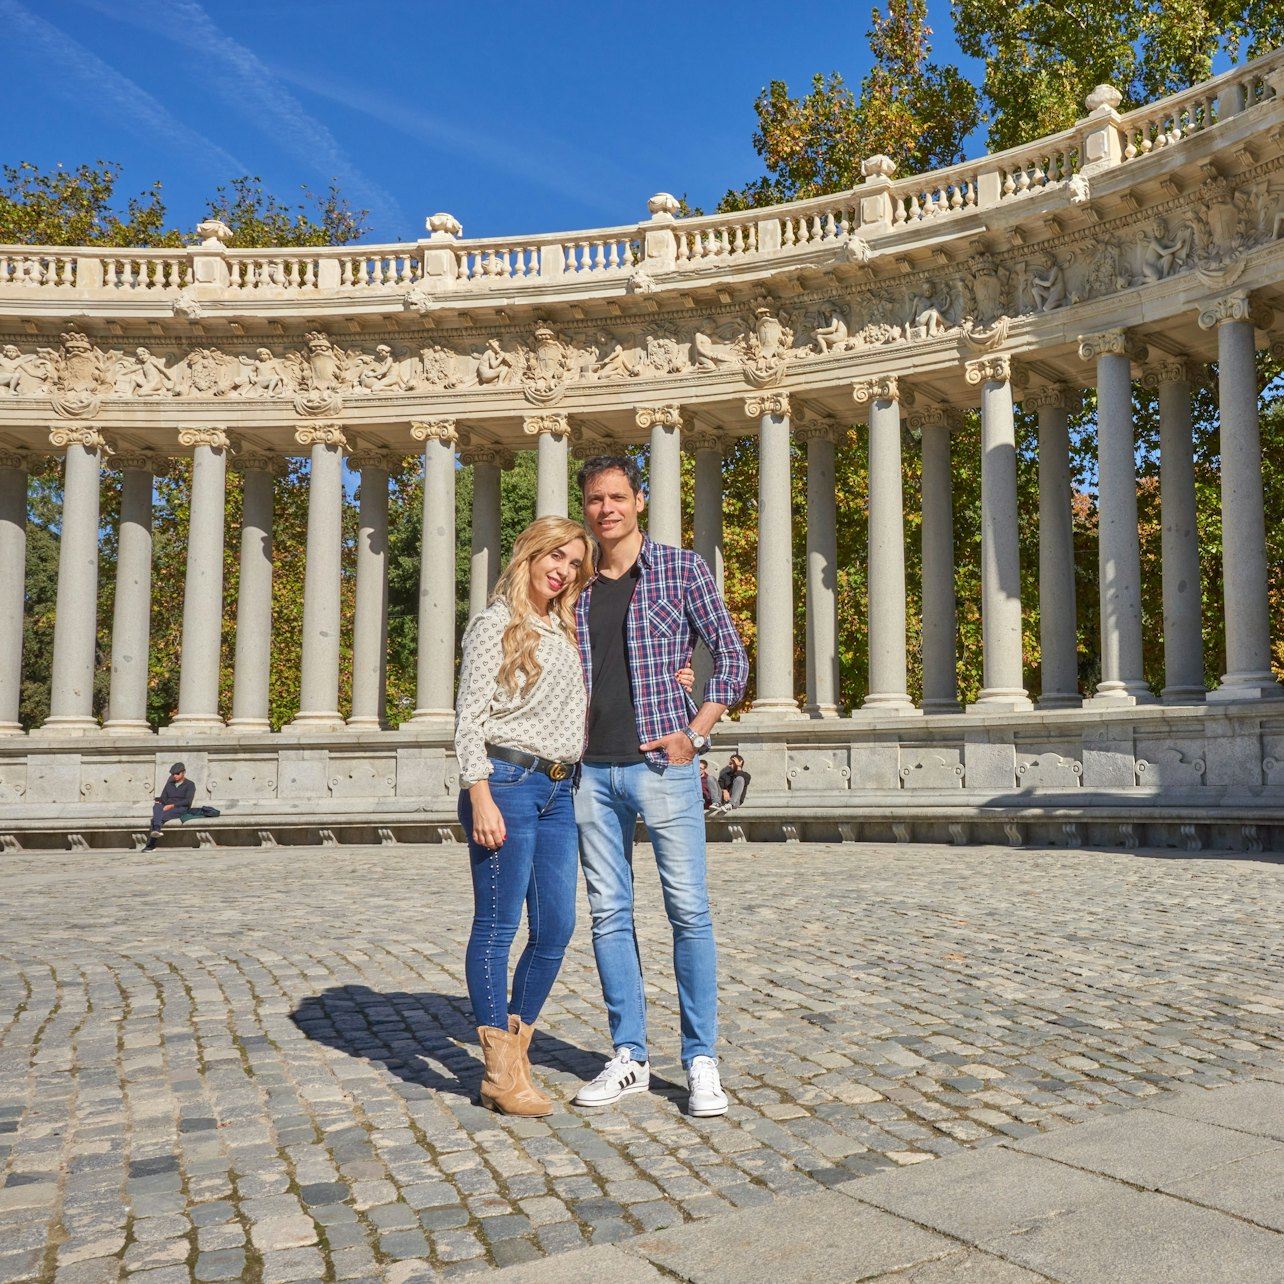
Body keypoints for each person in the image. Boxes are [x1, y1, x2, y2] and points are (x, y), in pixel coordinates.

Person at [455, 515, 697, 1117]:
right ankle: (500, 1070)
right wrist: (478, 792)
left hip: (561, 788)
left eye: (573, 564)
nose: (562, 571)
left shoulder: (565, 627)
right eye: (554, 558)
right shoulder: (495, 624)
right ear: (529, 557)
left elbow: (624, 664)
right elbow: (468, 719)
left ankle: (517, 1045)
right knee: (497, 924)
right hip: (506, 782)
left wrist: (681, 677)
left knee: (557, 927)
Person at [571, 454, 748, 1118]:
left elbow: (731, 654)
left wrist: (695, 733)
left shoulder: (680, 569)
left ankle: (701, 1058)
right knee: (610, 915)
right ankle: (630, 1056)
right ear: (585, 506)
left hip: (662, 766)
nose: (607, 509)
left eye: (617, 496)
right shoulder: (575, 582)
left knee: (689, 913)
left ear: (639, 501)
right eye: (595, 499)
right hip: (590, 768)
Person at [144, 763, 196, 851]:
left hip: (180, 808)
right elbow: (164, 798)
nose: (175, 776)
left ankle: (151, 844)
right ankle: (156, 830)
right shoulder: (169, 784)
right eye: (173, 774)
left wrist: (172, 806)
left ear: (183, 772)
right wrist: (159, 801)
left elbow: (188, 801)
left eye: (177, 774)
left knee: (157, 818)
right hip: (167, 807)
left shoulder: (190, 784)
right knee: (156, 806)